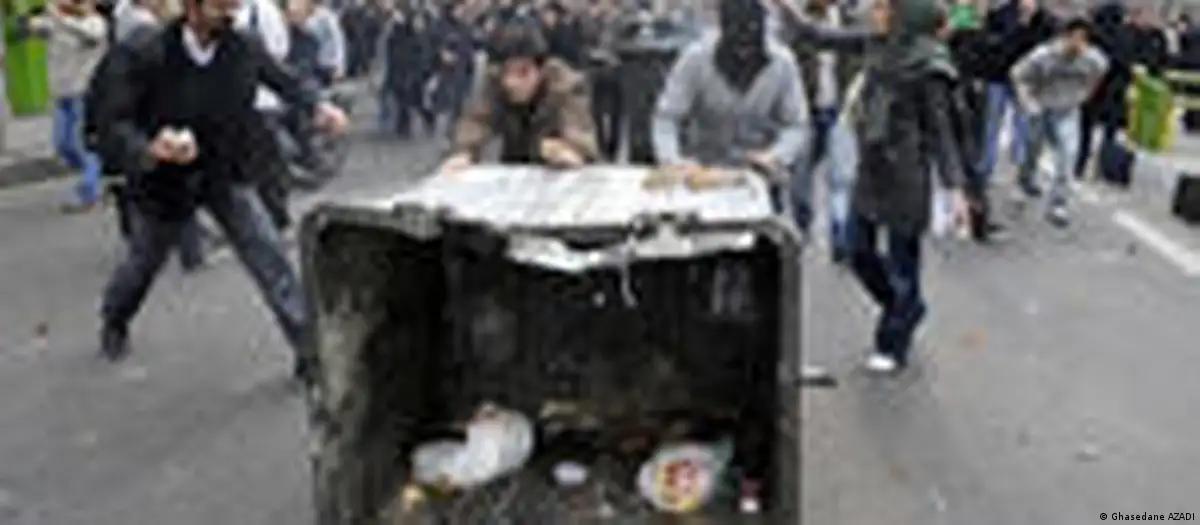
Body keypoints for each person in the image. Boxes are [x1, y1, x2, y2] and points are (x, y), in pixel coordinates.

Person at [89, 0, 348, 382]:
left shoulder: (243, 47)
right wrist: (148, 149)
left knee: (269, 255)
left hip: (223, 173)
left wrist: (318, 106)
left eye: (233, 7)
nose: (228, 15)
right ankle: (115, 317)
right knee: (142, 263)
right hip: (165, 181)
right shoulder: (147, 52)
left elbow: (287, 80)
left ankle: (308, 351)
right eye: (219, 7)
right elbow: (113, 120)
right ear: (191, 8)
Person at [784, 0, 970, 374]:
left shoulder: (930, 68)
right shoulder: (875, 44)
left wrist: (955, 189)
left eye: (885, 8)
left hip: (907, 176)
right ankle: (905, 307)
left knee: (903, 265)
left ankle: (892, 343)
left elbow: (941, 132)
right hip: (871, 170)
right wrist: (782, 6)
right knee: (857, 251)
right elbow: (817, 35)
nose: (875, 13)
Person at [651, 0, 807, 200]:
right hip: (702, 173)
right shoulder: (695, 59)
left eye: (750, 48)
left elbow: (797, 125)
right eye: (738, 48)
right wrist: (673, 161)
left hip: (758, 175)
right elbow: (666, 117)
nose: (744, 54)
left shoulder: (783, 63)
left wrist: (776, 155)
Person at [439, 22, 597, 171]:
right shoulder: (494, 82)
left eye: (523, 72)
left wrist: (571, 150)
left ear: (542, 69)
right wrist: (464, 152)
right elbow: (477, 119)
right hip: (513, 162)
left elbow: (579, 128)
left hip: (555, 168)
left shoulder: (565, 85)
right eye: (507, 72)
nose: (513, 82)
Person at [1010, 17, 1108, 227]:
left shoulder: (1094, 59)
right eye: (1074, 38)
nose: (1077, 43)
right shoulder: (1044, 56)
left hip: (1068, 110)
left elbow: (1098, 75)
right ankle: (1025, 181)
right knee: (1032, 149)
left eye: (1083, 39)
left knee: (1067, 155)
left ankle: (1059, 203)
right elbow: (1018, 75)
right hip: (1042, 106)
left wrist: (1084, 95)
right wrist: (1027, 101)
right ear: (1064, 37)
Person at [27, 0, 108, 211]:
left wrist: (59, 16)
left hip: (84, 92)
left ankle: (88, 191)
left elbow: (91, 35)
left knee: (80, 143)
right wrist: (27, 16)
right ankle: (96, 172)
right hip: (61, 93)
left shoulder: (95, 23)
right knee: (63, 144)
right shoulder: (57, 23)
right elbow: (32, 27)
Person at [976, 0, 1056, 190]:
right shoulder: (1002, 15)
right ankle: (986, 168)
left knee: (1025, 124)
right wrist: (1019, 27)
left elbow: (1045, 50)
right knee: (991, 124)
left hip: (1026, 80)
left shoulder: (1045, 21)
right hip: (999, 75)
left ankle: (1022, 169)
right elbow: (993, 44)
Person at [579, 0, 622, 160]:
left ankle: (613, 147)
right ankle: (601, 145)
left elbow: (620, 43)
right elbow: (585, 40)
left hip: (615, 69)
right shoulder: (591, 20)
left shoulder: (620, 21)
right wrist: (592, 20)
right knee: (595, 110)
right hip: (595, 69)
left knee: (616, 111)